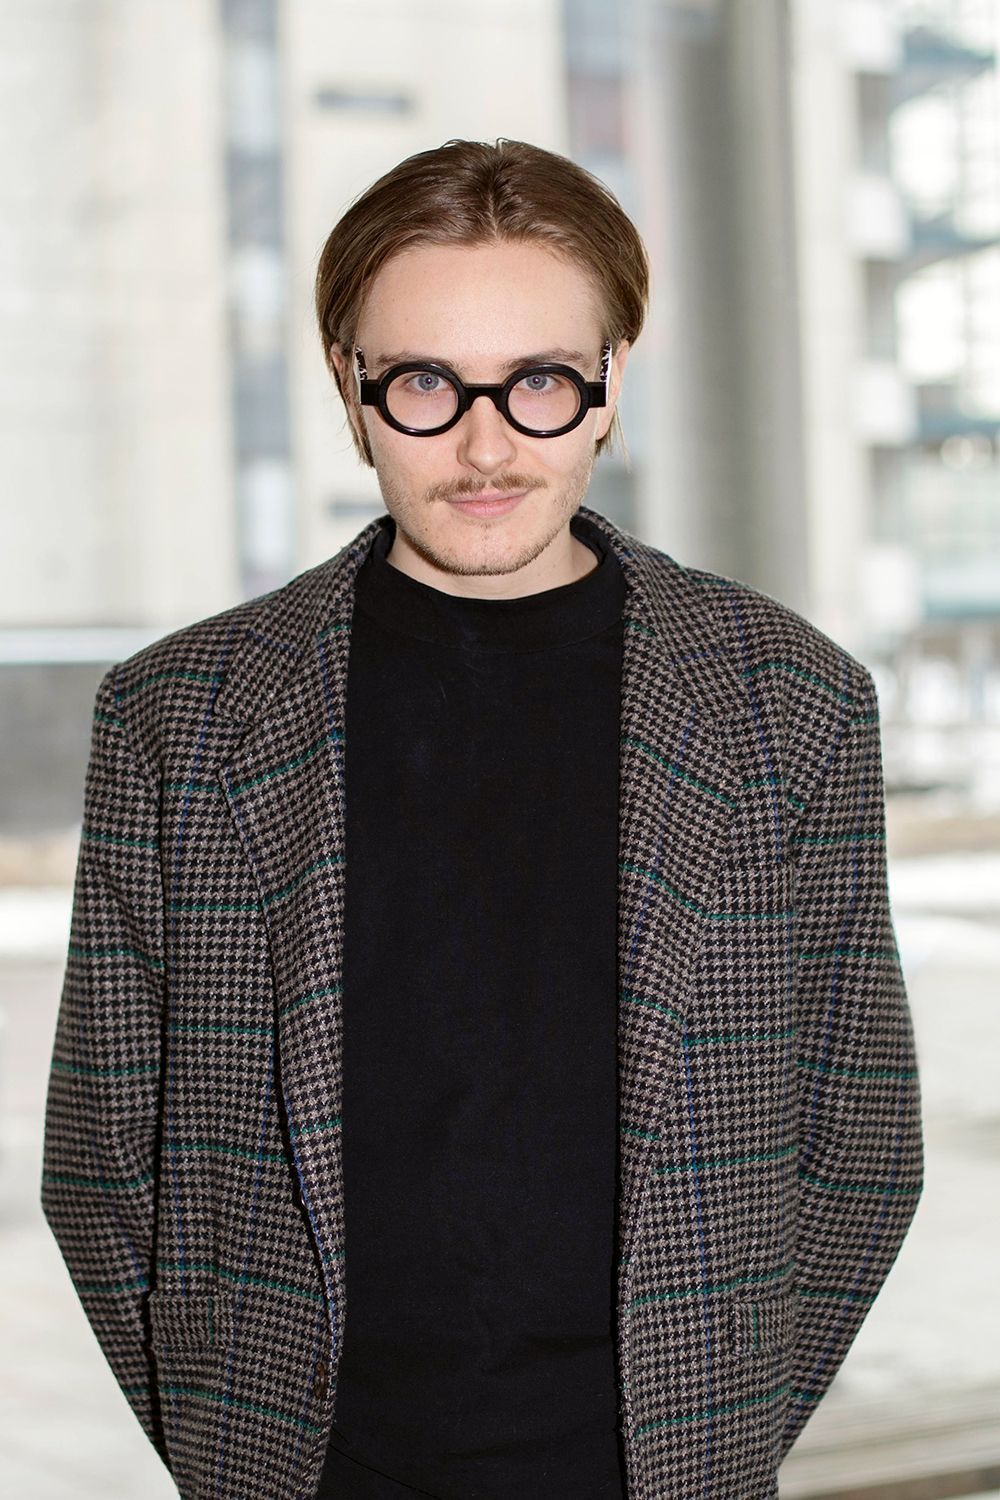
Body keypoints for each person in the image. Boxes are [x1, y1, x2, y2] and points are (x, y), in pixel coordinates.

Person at [41, 138, 922, 1500]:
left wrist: (718, 1430)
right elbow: (104, 1165)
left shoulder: (790, 702)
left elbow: (859, 1143)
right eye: (425, 384)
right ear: (350, 388)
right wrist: (235, 1448)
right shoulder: (180, 717)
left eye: (542, 381)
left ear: (611, 383)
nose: (486, 443)